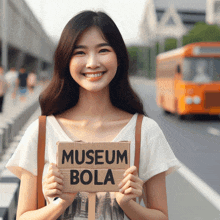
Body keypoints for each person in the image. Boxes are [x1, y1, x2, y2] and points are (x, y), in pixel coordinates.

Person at [6, 11, 181, 219]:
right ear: (66, 60)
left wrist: (128, 204)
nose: (92, 63)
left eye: (103, 50)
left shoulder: (145, 132)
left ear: (118, 58)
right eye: (80, 52)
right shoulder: (41, 132)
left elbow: (162, 216)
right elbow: (22, 216)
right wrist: (59, 204)